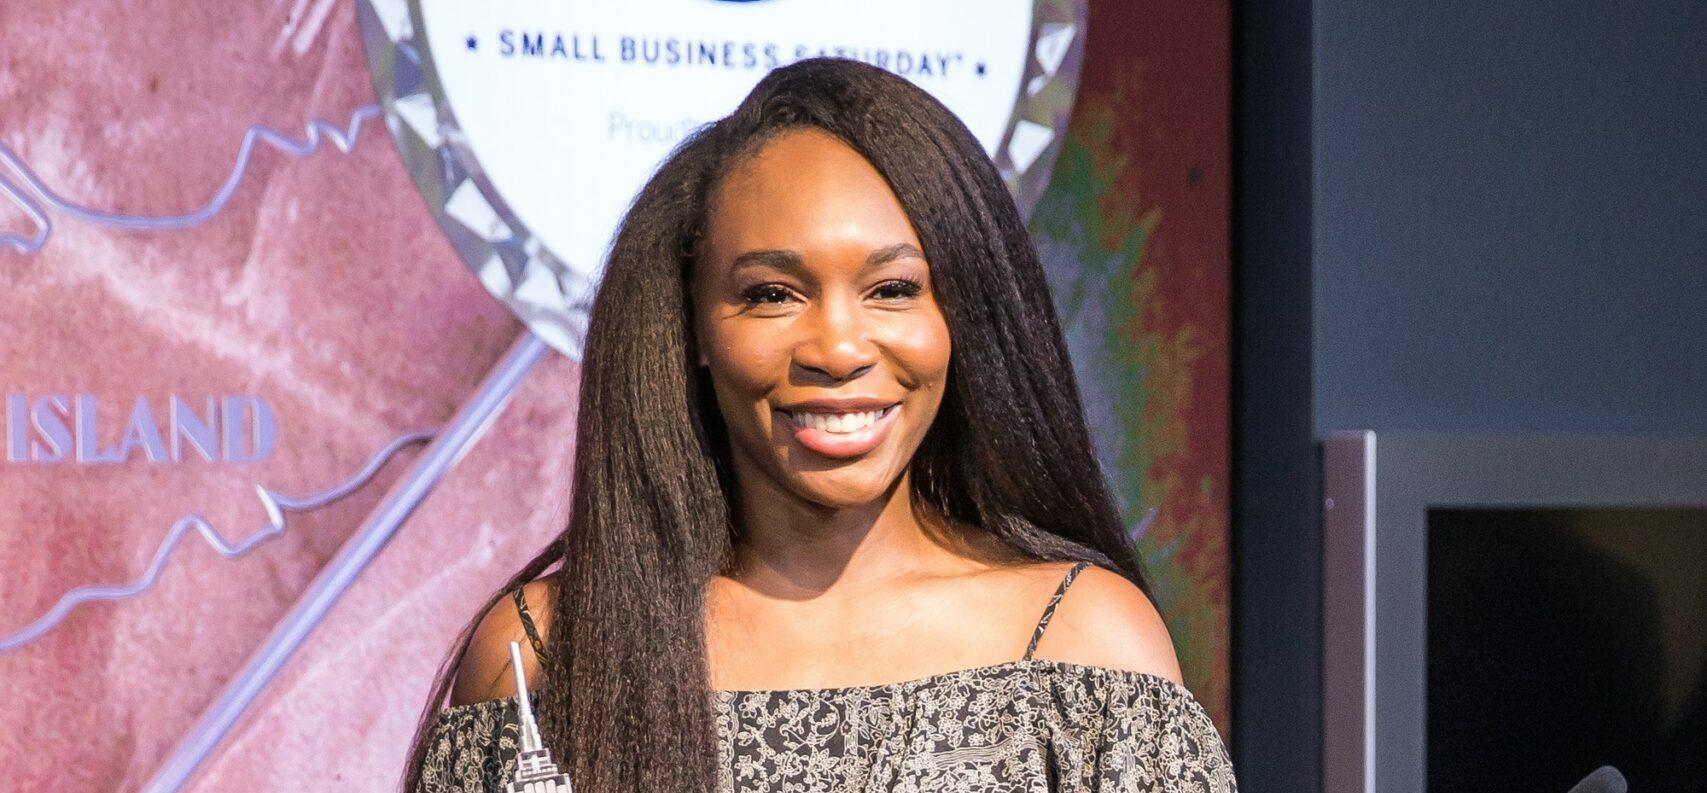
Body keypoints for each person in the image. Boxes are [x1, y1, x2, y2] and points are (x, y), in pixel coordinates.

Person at [404, 57, 1237, 792]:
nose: (838, 348)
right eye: (771, 293)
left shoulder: (1081, 642)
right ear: (693, 327)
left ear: (963, 317)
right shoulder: (545, 653)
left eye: (893, 289)